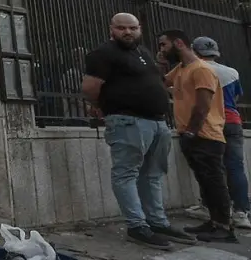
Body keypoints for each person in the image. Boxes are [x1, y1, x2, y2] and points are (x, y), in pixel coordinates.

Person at [81, 13, 195, 247]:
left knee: (152, 174)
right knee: (126, 173)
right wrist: (99, 106)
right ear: (111, 29)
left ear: (139, 29)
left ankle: (157, 222)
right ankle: (137, 226)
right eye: (121, 28)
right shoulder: (103, 54)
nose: (127, 32)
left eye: (132, 28)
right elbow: (90, 87)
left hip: (156, 122)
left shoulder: (142, 53)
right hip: (127, 121)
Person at [158, 30, 237, 242]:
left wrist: (192, 131)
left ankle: (224, 227)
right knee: (204, 180)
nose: (162, 49)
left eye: (164, 45)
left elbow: (203, 105)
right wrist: (162, 63)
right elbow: (161, 83)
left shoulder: (202, 69)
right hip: (190, 134)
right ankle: (214, 221)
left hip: (205, 135)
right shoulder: (182, 69)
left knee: (214, 181)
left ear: (179, 43)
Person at [187, 38, 251, 229]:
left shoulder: (195, 70)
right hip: (232, 121)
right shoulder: (232, 72)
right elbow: (237, 96)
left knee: (210, 168)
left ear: (194, 51)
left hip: (209, 123)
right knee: (235, 167)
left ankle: (208, 206)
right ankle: (241, 212)